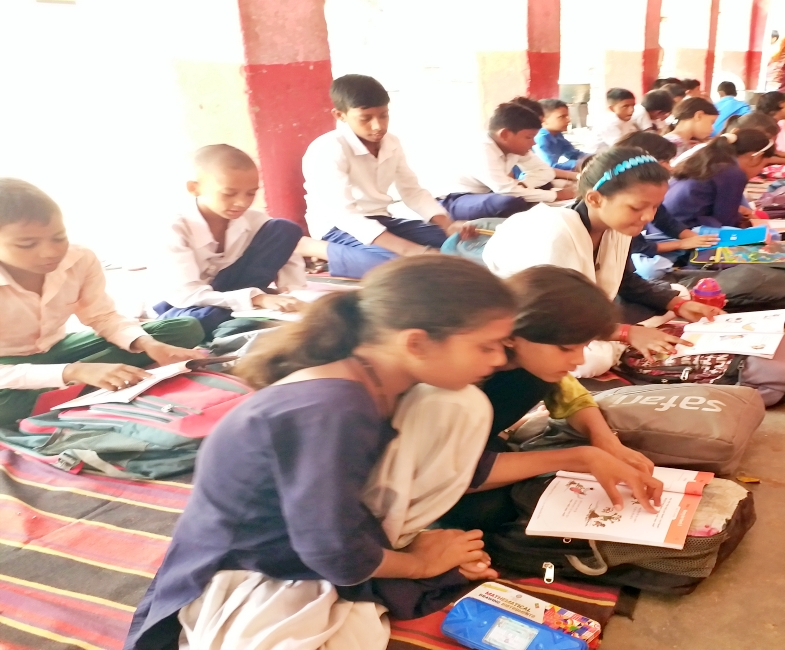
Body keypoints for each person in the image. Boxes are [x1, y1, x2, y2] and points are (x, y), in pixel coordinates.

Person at [125, 255, 518, 650]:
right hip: (248, 562)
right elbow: (332, 550)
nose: (500, 359)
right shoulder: (334, 410)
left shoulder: (378, 381)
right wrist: (420, 565)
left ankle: (391, 553)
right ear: (415, 342)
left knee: (459, 406)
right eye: (486, 346)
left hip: (314, 536)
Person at [437, 266, 664, 532]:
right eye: (567, 348)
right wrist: (581, 457)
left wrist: (604, 440)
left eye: (584, 346)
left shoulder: (531, 362)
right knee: (486, 512)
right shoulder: (455, 381)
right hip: (433, 466)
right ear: (511, 334)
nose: (579, 359)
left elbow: (571, 394)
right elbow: (447, 473)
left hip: (472, 448)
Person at [482, 147, 724, 373]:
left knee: (679, 294)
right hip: (533, 319)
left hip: (584, 309)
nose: (648, 217)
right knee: (592, 361)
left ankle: (627, 333)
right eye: (637, 207)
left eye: (655, 207)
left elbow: (626, 282)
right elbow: (557, 314)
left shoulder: (617, 226)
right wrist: (627, 333)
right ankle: (625, 337)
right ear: (595, 199)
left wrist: (678, 306)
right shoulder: (555, 233)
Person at [0, 180, 206, 429]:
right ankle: (87, 381)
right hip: (6, 365)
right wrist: (75, 372)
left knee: (183, 329)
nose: (50, 252)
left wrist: (149, 345)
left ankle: (66, 390)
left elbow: (102, 316)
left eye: (58, 237)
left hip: (57, 349)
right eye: (27, 244)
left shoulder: (80, 259)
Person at [295, 74, 459, 280]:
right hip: (338, 227)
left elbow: (413, 192)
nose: (378, 126)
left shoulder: (391, 142)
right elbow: (344, 215)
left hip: (380, 221)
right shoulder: (328, 149)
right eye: (366, 118)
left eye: (384, 115)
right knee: (404, 269)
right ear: (340, 115)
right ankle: (313, 248)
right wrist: (410, 250)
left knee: (461, 244)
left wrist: (448, 225)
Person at [153, 145, 306, 340]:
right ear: (194, 188)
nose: (242, 203)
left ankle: (237, 321)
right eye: (229, 193)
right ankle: (234, 321)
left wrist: (294, 299)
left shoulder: (254, 221)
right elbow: (186, 295)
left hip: (232, 293)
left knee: (284, 229)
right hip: (182, 305)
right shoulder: (173, 228)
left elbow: (289, 268)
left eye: (250, 193)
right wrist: (257, 298)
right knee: (197, 321)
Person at [440, 102, 576, 221]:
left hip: (491, 194)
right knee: (509, 202)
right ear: (505, 134)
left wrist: (524, 184)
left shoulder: (512, 148)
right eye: (529, 137)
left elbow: (545, 171)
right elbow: (506, 191)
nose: (533, 143)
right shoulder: (481, 150)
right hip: (457, 200)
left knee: (543, 186)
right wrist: (556, 195)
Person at [615, 132, 719, 279]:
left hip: (643, 243)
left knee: (708, 235)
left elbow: (665, 220)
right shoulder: (621, 196)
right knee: (649, 270)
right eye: (666, 161)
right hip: (630, 250)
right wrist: (682, 244)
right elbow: (637, 246)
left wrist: (694, 238)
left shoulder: (648, 190)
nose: (670, 168)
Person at [662, 129, 774, 230]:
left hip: (664, 225)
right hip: (682, 230)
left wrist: (738, 213)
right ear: (755, 158)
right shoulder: (732, 172)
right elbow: (726, 222)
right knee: (767, 234)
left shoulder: (709, 159)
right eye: (763, 165)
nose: (760, 171)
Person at [535, 98, 585, 171]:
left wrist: (595, 157)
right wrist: (579, 163)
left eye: (567, 116)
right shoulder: (540, 138)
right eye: (562, 117)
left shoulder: (557, 135)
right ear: (543, 120)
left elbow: (574, 154)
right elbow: (550, 167)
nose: (568, 120)